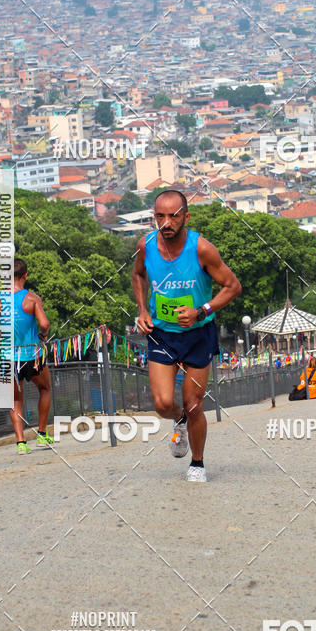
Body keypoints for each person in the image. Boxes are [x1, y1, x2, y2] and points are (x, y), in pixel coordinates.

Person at [132, 190, 242, 482]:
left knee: (195, 403)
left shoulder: (202, 249)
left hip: (197, 334)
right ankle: (178, 418)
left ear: (186, 217)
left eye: (173, 216)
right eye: (160, 216)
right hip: (162, 333)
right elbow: (138, 275)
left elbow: (232, 286)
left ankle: (197, 462)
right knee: (162, 403)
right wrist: (142, 310)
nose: (166, 222)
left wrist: (201, 310)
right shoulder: (146, 245)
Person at [4, 258, 52, 453]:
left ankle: (21, 443)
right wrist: (43, 335)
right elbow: (45, 323)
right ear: (25, 275)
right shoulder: (32, 299)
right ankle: (41, 434)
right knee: (45, 388)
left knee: (15, 401)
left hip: (8, 356)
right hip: (31, 355)